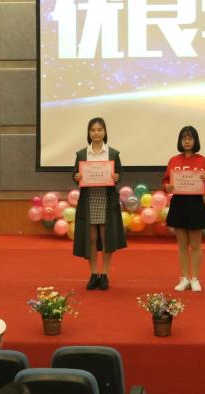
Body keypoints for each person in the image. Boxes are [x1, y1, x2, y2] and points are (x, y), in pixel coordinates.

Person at [72, 117, 126, 291]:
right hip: (88, 200)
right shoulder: (82, 154)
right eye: (93, 130)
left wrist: (116, 177)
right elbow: (75, 175)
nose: (96, 133)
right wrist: (77, 177)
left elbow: (120, 174)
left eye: (99, 130)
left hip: (106, 199)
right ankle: (93, 273)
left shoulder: (113, 153)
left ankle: (104, 274)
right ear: (89, 133)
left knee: (106, 237)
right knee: (91, 238)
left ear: (105, 132)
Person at [162, 126, 205, 293]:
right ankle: (184, 278)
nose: (187, 141)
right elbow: (166, 181)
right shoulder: (173, 160)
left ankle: (195, 279)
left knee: (196, 244)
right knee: (182, 244)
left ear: (195, 140)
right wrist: (167, 187)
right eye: (184, 138)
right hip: (178, 203)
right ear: (180, 141)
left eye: (190, 138)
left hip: (195, 203)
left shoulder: (203, 161)